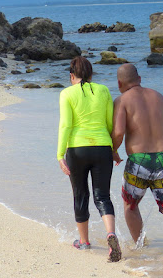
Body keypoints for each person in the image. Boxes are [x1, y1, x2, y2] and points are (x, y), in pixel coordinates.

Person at [112, 63, 163, 259]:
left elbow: (119, 131)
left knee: (131, 206)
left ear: (119, 83)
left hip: (139, 160)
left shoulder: (121, 101)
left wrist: (113, 150)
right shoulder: (157, 96)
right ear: (139, 79)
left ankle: (140, 247)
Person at [57, 56, 122, 263]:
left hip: (77, 150)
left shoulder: (66, 93)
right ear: (92, 75)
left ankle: (84, 241)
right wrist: (112, 148)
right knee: (102, 195)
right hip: (102, 147)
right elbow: (110, 123)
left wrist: (60, 154)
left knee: (80, 194)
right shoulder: (103, 90)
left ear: (71, 76)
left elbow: (66, 125)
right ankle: (111, 234)